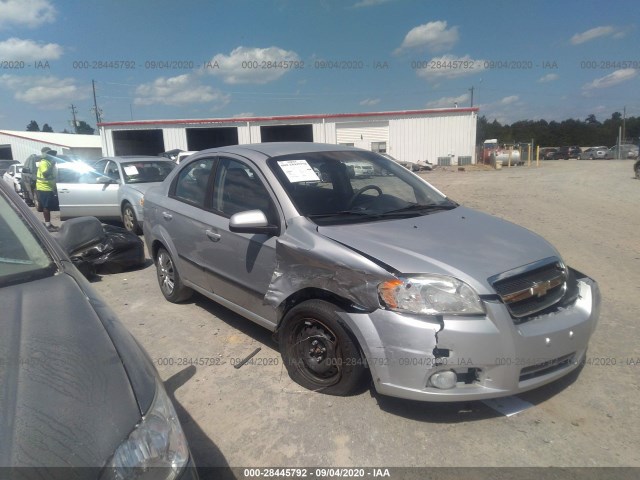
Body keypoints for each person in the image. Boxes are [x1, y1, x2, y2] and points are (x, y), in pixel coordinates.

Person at [36, 147, 59, 232]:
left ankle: (48, 224)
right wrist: (52, 165)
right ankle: (48, 225)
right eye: (50, 154)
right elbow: (45, 174)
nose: (53, 156)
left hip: (48, 187)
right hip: (43, 187)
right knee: (46, 207)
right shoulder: (44, 163)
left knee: (48, 206)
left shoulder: (49, 162)